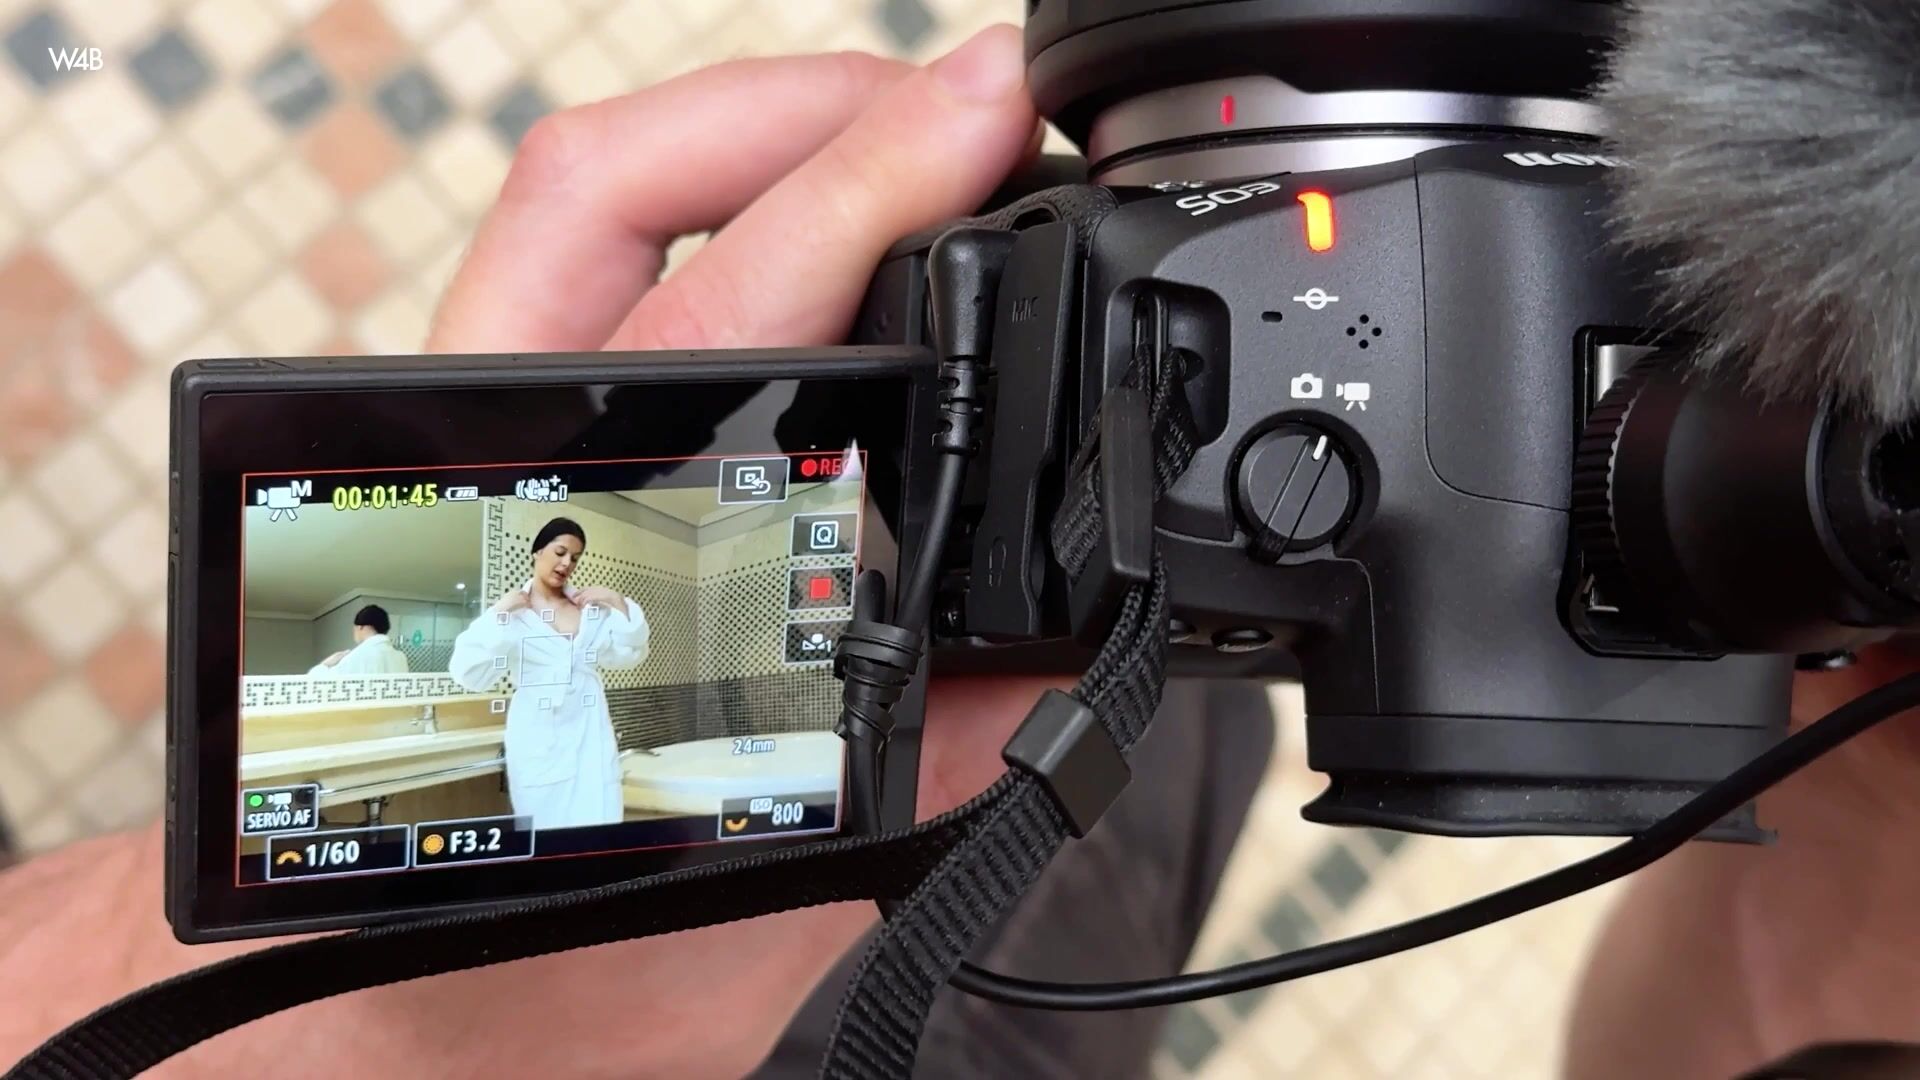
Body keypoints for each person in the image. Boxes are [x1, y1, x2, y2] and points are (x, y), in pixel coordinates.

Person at [0, 25, 1892, 1079]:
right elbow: (456, 676)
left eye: (570, 542)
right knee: (1156, 732)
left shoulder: (590, 611)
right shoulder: (516, 627)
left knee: (1152, 710)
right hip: (688, 879)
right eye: (556, 544)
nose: (565, 559)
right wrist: (387, 1035)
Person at [449, 517, 648, 830]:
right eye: (560, 552)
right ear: (537, 551)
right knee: (545, 831)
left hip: (589, 732)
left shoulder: (589, 609)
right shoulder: (514, 612)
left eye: (575, 558)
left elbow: (629, 655)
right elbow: (469, 674)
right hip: (538, 735)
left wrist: (617, 602)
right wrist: (498, 613)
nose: (567, 563)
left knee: (599, 826)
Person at [305, 604, 410, 676]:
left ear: (360, 627)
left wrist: (325, 664)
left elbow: (315, 682)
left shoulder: (358, 655)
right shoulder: (400, 657)